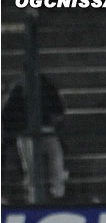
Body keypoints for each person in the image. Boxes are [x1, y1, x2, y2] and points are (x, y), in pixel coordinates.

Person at [1, 74, 68, 203]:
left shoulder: (47, 87)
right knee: (31, 161)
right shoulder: (17, 91)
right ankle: (34, 194)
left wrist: (51, 121)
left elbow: (59, 109)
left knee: (56, 154)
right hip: (25, 133)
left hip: (45, 130)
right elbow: (7, 115)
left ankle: (58, 191)